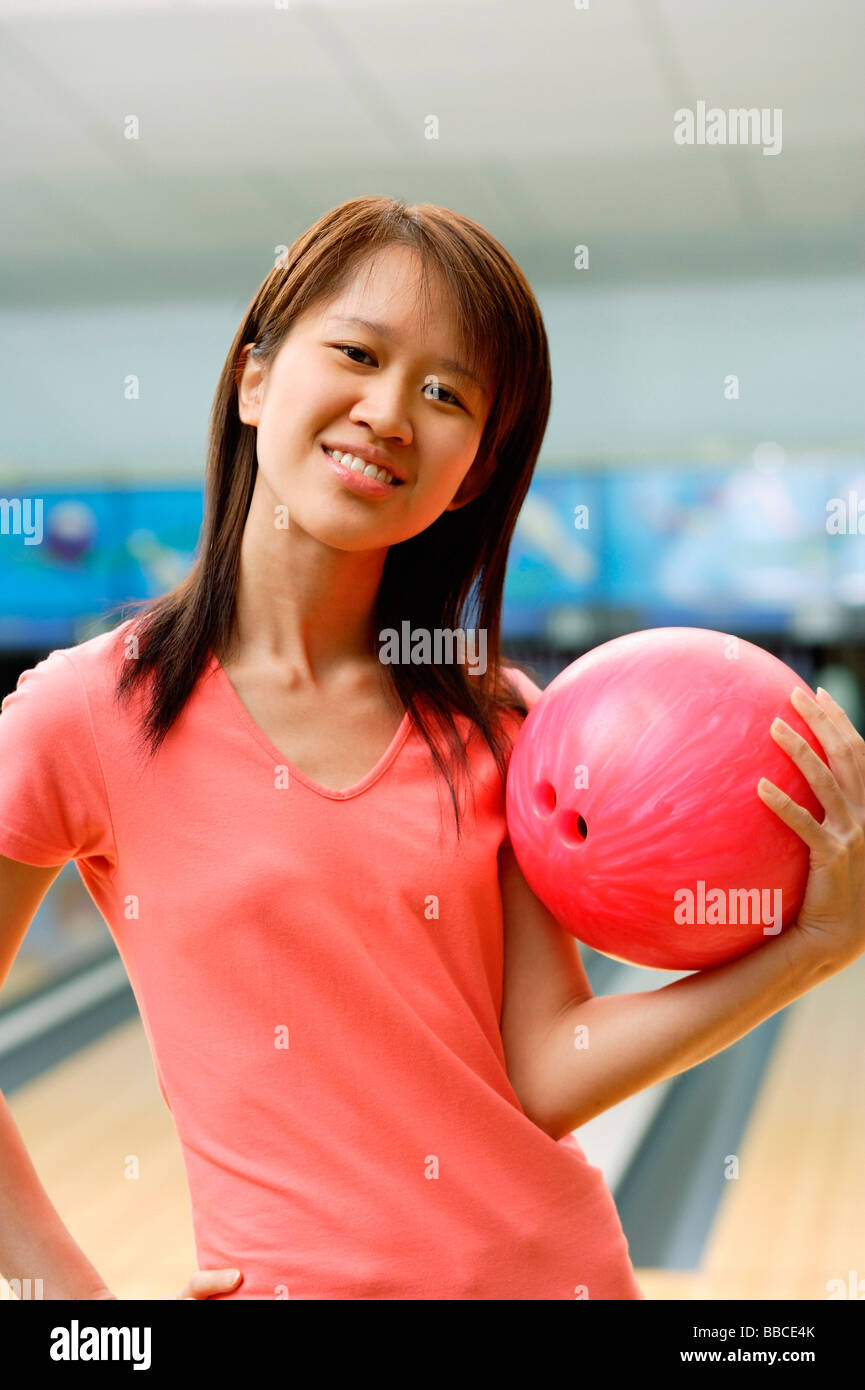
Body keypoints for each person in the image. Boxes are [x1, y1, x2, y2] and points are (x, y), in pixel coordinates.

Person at [1, 197, 863, 1301]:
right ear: (255, 378)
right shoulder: (87, 714)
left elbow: (545, 1069)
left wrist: (812, 947)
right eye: (357, 353)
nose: (390, 411)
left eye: (447, 392)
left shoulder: (500, 722)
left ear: (473, 473)